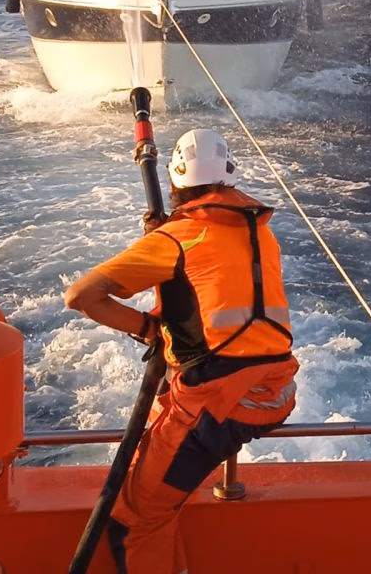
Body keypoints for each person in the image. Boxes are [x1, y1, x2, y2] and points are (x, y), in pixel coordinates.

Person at [64, 128, 299, 574]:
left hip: (222, 403)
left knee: (134, 519)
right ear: (228, 182)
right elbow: (208, 285)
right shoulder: (260, 232)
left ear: (173, 184)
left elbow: (81, 296)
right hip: (274, 391)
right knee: (152, 498)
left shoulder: (172, 242)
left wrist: (147, 327)